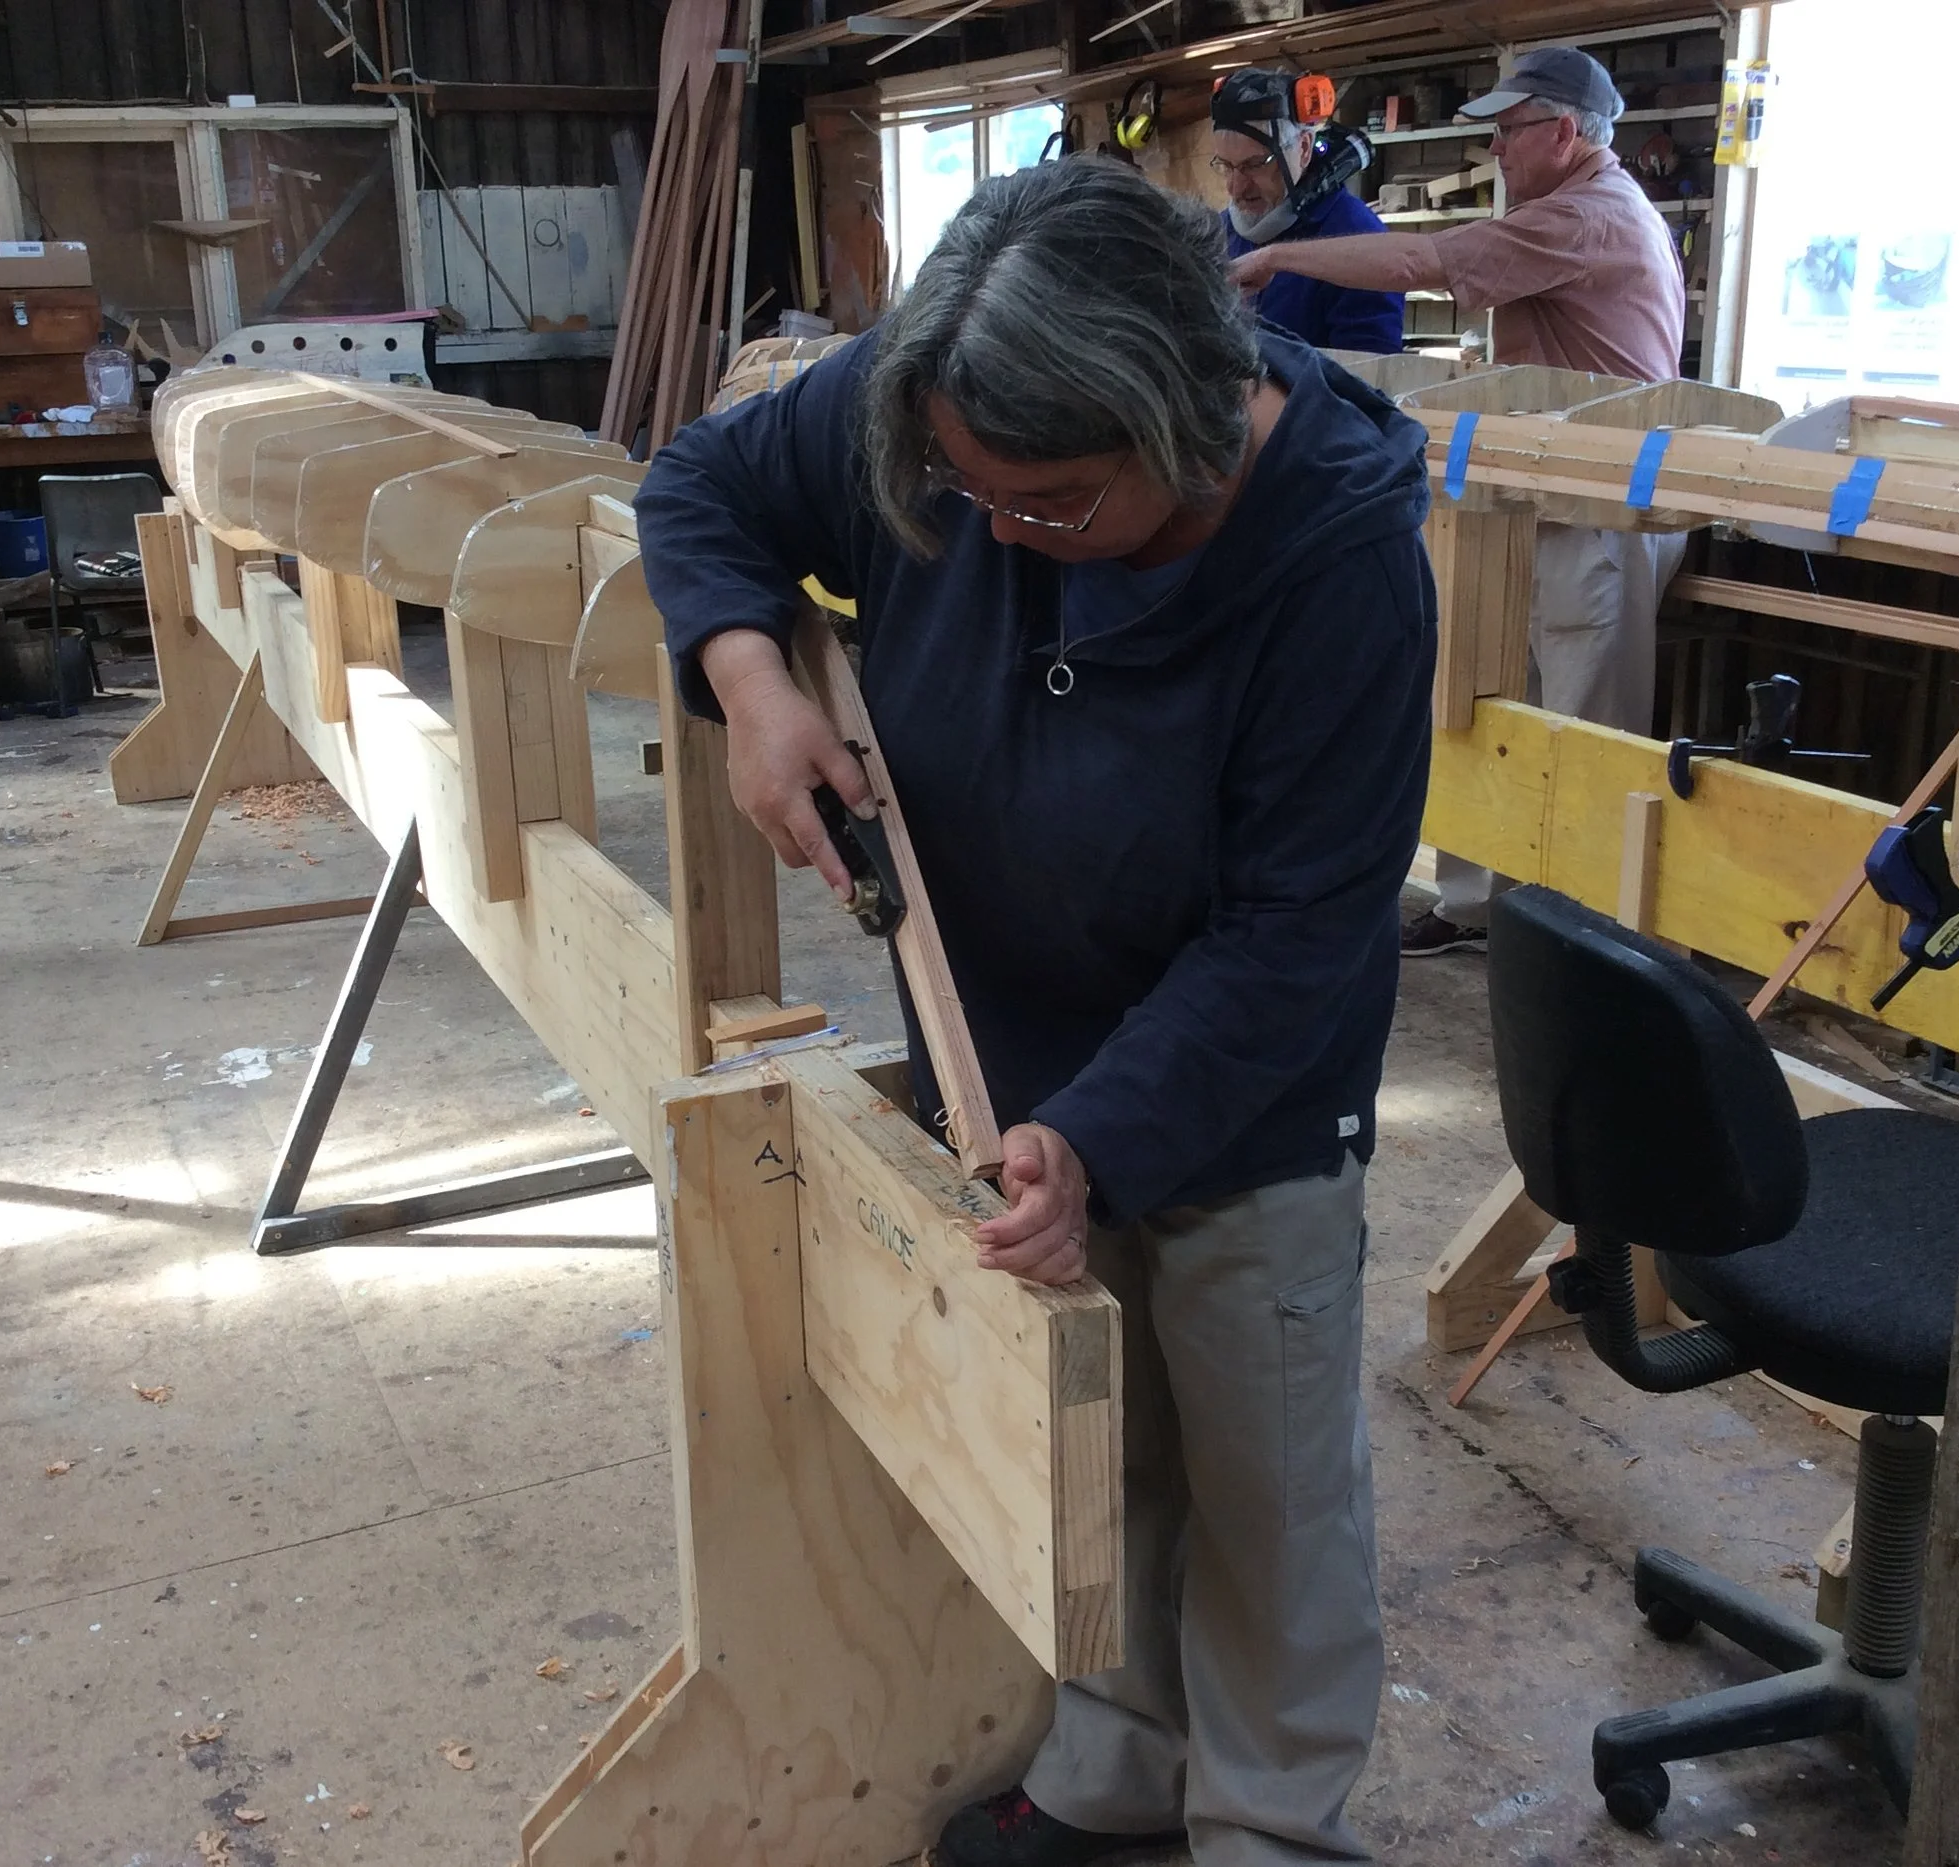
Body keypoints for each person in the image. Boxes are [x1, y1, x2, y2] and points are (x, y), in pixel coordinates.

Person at [636, 158, 1435, 1867]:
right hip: (1002, 1047)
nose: (991, 537)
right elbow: (703, 481)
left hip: (1245, 1091)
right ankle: (1115, 1771)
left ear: (1189, 421)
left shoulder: (1342, 570)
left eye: (1052, 504)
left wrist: (1106, 1134)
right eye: (960, 491)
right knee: (1093, 1441)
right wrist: (752, 676)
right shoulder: (949, 409)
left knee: (1263, 1487)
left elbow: (1298, 934)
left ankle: (1275, 1828)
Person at [1228, 44, 1688, 957]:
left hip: (1596, 507)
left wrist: (1279, 254)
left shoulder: (1588, 215)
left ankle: (1576, 936)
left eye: (1511, 134)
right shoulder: (1567, 207)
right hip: (1534, 496)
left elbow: (1428, 257)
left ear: (1564, 131)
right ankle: (1482, 903)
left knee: (1581, 726)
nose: (1498, 155)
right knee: (1487, 699)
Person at [1214, 66, 1404, 355]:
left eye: (1254, 165)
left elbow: (1367, 379)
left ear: (1303, 148)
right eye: (1226, 166)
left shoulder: (1359, 238)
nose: (1236, 187)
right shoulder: (1215, 235)